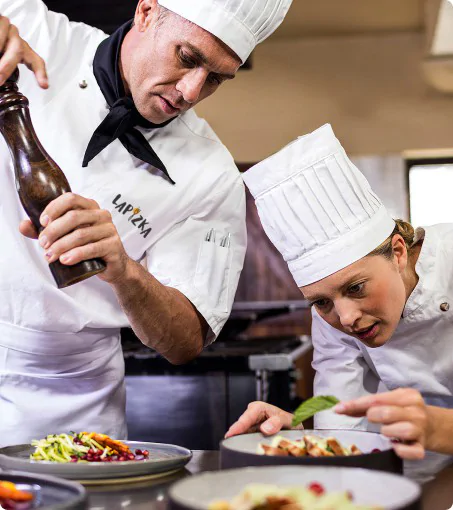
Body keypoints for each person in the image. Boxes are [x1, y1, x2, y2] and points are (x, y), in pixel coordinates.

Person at [0, 0, 292, 444]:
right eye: (188, 58)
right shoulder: (34, 29)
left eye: (215, 78)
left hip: (69, 400)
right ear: (146, 13)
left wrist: (124, 269)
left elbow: (185, 340)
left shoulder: (210, 176)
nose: (191, 92)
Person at [227, 124, 453, 477]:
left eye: (356, 288)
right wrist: (308, 440)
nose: (345, 318)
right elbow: (343, 426)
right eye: (320, 302)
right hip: (423, 470)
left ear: (397, 252)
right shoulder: (331, 313)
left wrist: (439, 427)